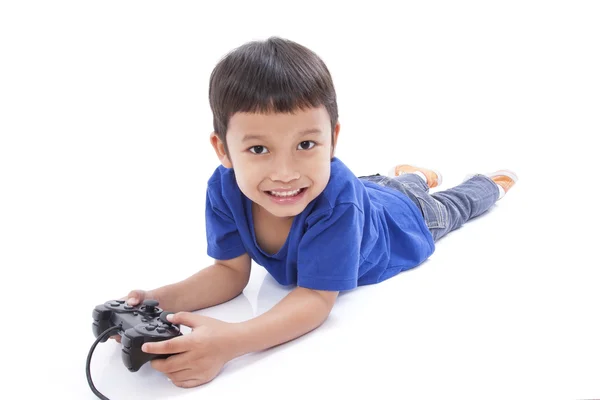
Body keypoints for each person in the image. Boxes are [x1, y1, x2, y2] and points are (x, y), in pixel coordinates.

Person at [113, 36, 518, 388]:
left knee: (447, 208)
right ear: (223, 150)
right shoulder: (223, 187)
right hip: (367, 189)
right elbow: (229, 274)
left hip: (404, 222)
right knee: (388, 184)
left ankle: (483, 185)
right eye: (258, 149)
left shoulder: (335, 199)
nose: (285, 173)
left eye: (306, 145)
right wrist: (156, 301)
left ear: (332, 138)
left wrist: (231, 342)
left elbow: (314, 299)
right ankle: (412, 175)